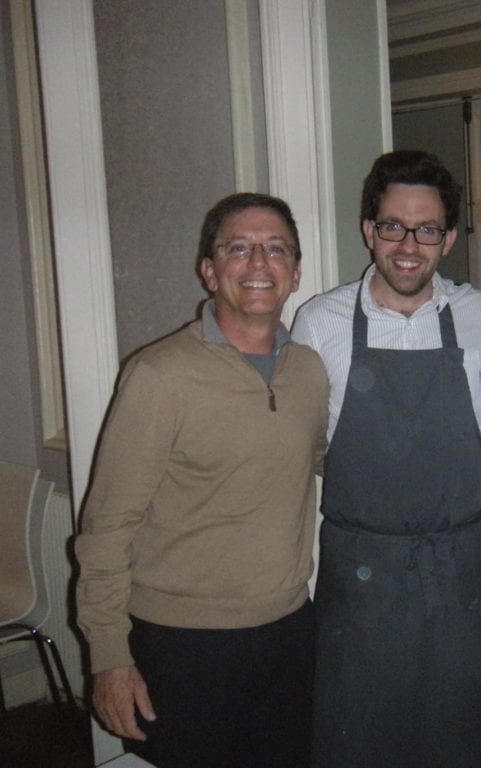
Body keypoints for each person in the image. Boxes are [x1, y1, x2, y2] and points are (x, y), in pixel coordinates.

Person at [75, 193, 329, 768]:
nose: (259, 263)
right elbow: (107, 527)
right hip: (182, 645)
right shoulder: (158, 375)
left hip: (289, 631)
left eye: (275, 250)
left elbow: (318, 459)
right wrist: (109, 656)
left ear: (295, 272)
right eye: (238, 248)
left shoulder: (309, 372)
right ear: (209, 270)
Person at [291, 150, 481, 767]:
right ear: (369, 230)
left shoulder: (475, 317)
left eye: (427, 229)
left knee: (451, 733)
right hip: (358, 573)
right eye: (393, 226)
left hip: (457, 569)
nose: (408, 245)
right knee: (355, 734)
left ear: (446, 238)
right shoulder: (319, 323)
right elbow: (292, 438)